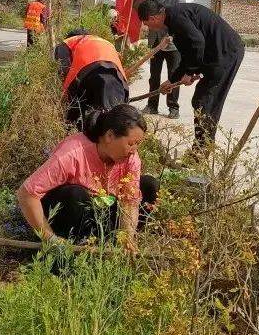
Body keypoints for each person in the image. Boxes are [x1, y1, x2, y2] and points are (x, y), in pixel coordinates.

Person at [17, 104, 158, 248]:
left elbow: (129, 201)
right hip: (68, 215)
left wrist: (126, 237)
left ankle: (112, 245)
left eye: (138, 145)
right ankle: (68, 250)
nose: (133, 151)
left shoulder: (131, 158)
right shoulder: (72, 153)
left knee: (149, 185)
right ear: (110, 136)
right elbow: (27, 193)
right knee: (75, 194)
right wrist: (50, 238)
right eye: (131, 144)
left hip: (99, 211)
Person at [136, 0, 245, 149]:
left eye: (147, 24)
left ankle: (201, 151)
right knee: (201, 101)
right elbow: (188, 54)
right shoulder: (173, 18)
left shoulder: (177, 18)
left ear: (153, 18)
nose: (149, 28)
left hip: (226, 52)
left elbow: (197, 43)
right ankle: (202, 149)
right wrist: (172, 80)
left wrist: (190, 71)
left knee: (205, 101)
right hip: (216, 53)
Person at [54, 29, 129, 129]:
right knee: (115, 122)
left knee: (76, 119)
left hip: (88, 76)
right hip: (118, 81)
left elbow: (63, 70)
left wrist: (62, 97)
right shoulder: (105, 42)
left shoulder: (68, 42)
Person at [143, 0, 186, 119]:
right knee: (154, 75)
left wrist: (172, 36)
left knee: (173, 75)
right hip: (155, 39)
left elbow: (181, 18)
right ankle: (152, 105)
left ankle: (173, 107)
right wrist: (135, 0)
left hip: (172, 41)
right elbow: (142, 9)